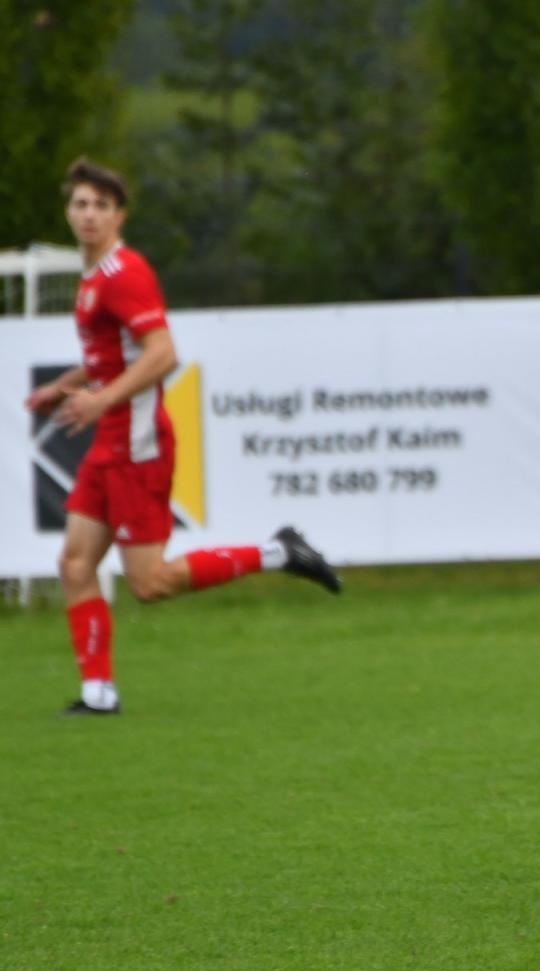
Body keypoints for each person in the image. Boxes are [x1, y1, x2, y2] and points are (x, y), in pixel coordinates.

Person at [25, 157, 341, 717]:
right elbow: (112, 357)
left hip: (138, 445)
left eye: (101, 205)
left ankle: (279, 552)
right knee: (76, 565)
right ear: (68, 212)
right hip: (109, 444)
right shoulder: (93, 276)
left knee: (150, 583)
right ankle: (99, 695)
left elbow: (163, 354)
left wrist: (99, 400)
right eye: (80, 204)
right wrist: (66, 385)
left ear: (119, 216)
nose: (89, 214)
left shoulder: (124, 275)